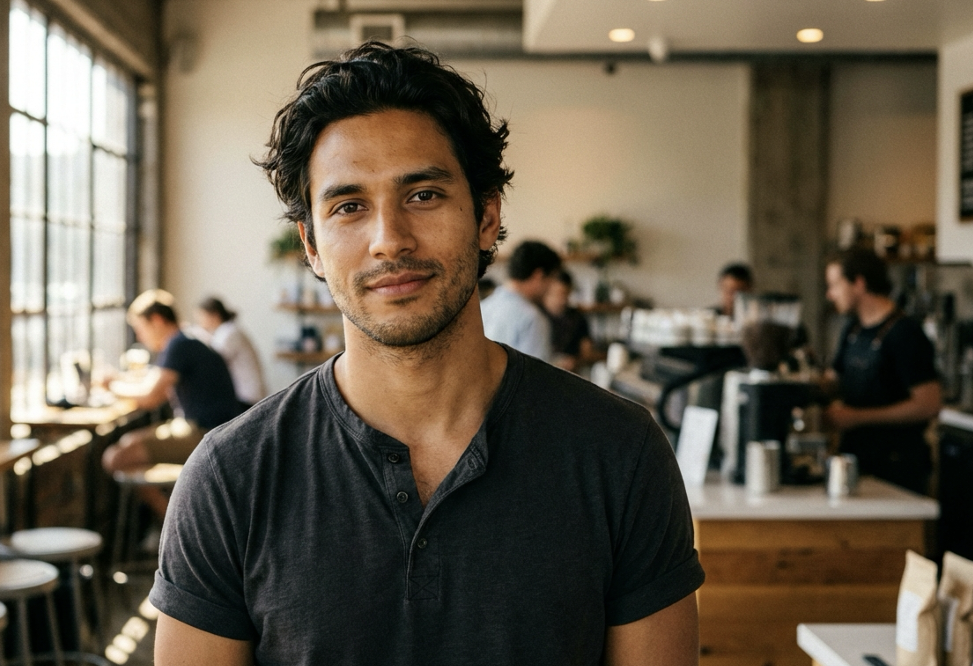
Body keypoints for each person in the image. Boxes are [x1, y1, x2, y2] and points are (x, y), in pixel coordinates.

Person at [151, 43, 703, 666]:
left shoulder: (618, 453)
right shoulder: (231, 477)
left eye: (423, 195)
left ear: (487, 214)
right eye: (349, 206)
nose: (389, 239)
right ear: (310, 244)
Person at [102, 290, 243, 517]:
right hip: (215, 429)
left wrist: (110, 386)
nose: (139, 337)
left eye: (140, 328)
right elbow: (155, 382)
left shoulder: (179, 345)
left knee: (115, 458)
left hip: (206, 434)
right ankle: (173, 521)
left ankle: (174, 525)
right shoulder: (187, 339)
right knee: (129, 441)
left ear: (156, 321)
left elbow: (150, 397)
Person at [823, 249, 942, 494]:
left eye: (835, 284)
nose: (830, 294)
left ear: (858, 283)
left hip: (897, 465)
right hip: (856, 459)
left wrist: (857, 417)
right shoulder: (853, 329)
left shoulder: (905, 334)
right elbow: (834, 380)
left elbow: (928, 404)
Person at [479, 239, 562, 361]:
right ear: (538, 275)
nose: (551, 287)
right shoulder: (532, 319)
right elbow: (535, 377)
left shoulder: (481, 308)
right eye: (552, 278)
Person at [196, 297, 268, 409]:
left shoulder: (228, 333)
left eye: (201, 316)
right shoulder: (225, 331)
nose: (200, 322)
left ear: (214, 315)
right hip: (245, 396)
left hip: (246, 397)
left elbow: (212, 361)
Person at [543, 269, 597, 371]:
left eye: (566, 294)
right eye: (558, 294)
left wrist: (575, 361)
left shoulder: (578, 318)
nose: (563, 299)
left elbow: (587, 353)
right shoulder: (537, 317)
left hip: (570, 375)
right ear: (546, 291)